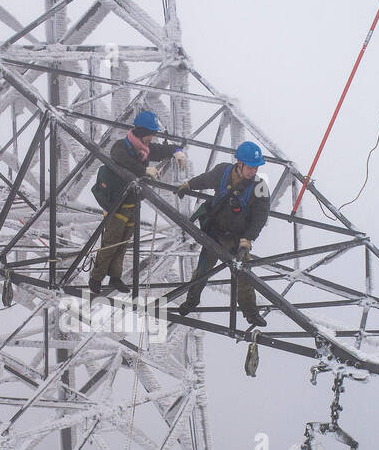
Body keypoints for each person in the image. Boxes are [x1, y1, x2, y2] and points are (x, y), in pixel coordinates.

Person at [174, 140, 271, 327]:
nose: (253, 172)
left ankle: (250, 313)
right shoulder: (223, 172)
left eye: (256, 168)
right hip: (215, 233)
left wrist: (248, 239)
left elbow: (260, 216)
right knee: (202, 272)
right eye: (250, 167)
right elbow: (205, 179)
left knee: (244, 276)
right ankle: (191, 302)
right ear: (239, 164)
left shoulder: (259, 187)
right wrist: (188, 185)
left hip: (237, 239)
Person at [90, 110, 186, 295]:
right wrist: (143, 171)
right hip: (117, 203)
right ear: (142, 132)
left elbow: (160, 150)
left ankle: (115, 277)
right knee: (111, 242)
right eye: (150, 134)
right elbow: (122, 160)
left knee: (123, 242)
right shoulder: (121, 147)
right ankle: (96, 278)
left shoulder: (144, 150)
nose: (152, 138)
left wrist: (176, 151)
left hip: (132, 203)